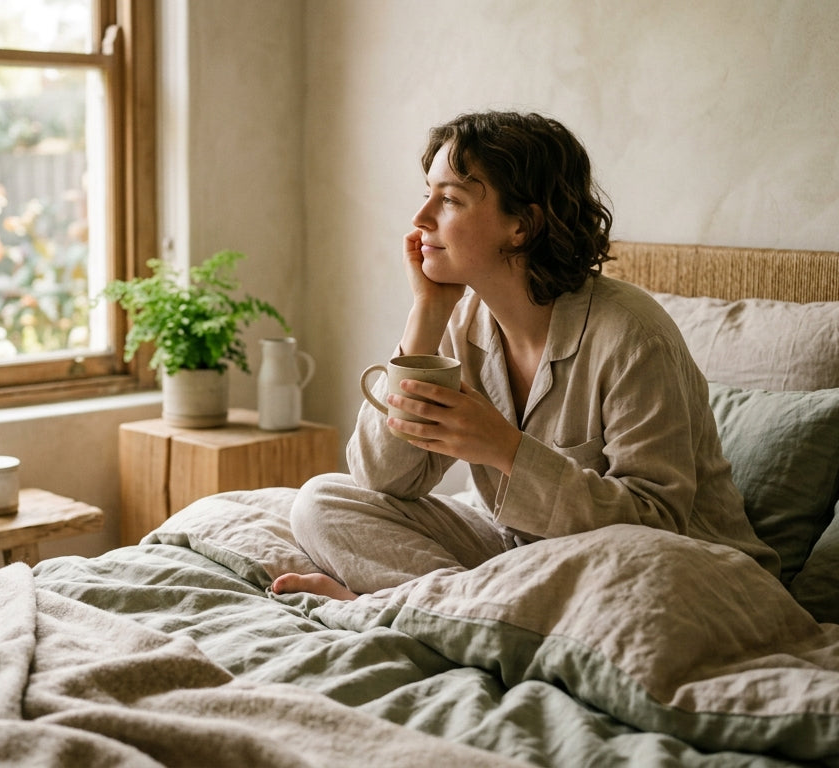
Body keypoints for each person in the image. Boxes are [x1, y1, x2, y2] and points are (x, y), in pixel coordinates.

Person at [271, 110, 779, 601]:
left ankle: (413, 607)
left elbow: (656, 525)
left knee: (627, 582)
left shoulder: (633, 336)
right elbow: (384, 478)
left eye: (448, 200)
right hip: (524, 556)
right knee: (321, 503)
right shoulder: (465, 322)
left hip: (672, 578)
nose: (420, 217)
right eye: (427, 194)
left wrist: (506, 449)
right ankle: (461, 611)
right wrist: (425, 316)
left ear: (522, 226)